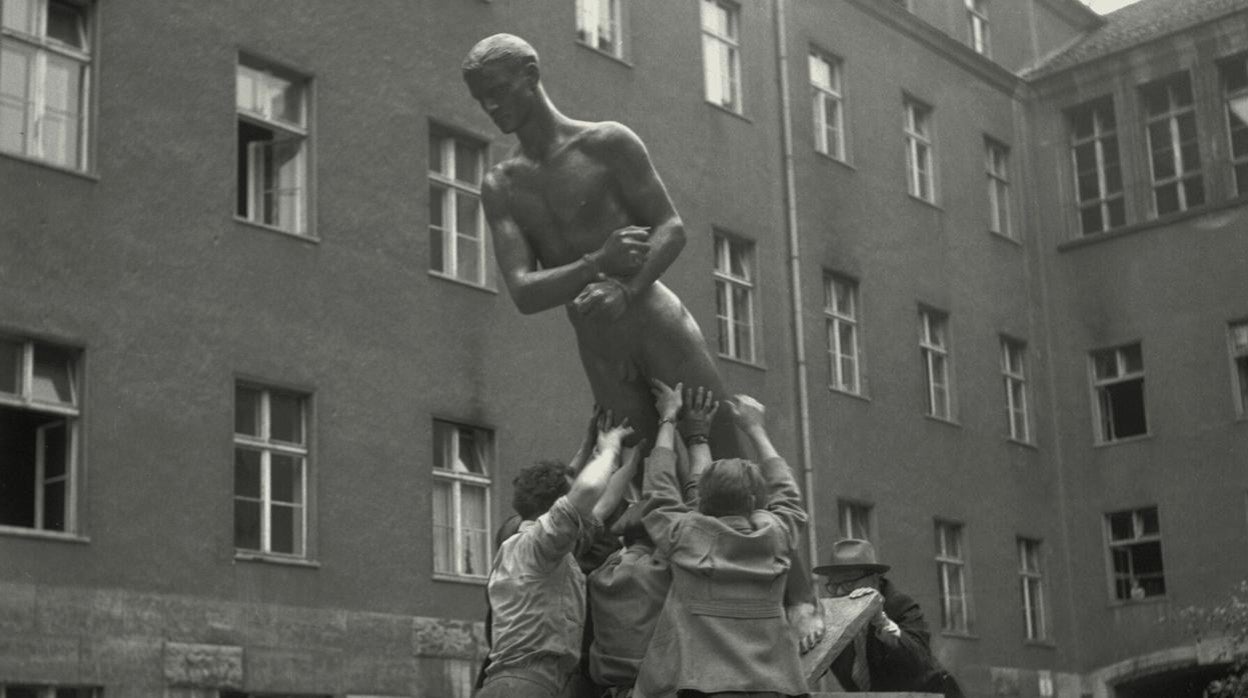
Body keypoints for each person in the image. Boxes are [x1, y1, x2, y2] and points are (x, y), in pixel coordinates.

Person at [460, 32, 825, 650]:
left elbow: (673, 226)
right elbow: (523, 292)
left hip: (656, 322)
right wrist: (596, 263)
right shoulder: (503, 184)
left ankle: (799, 595)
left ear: (531, 73)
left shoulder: (606, 143)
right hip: (598, 347)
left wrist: (626, 290)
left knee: (724, 441)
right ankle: (664, 612)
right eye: (481, 100)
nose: (493, 109)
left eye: (500, 92)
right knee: (629, 467)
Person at [632, 383, 810, 698]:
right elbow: (788, 493)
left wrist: (668, 419)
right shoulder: (777, 536)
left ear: (702, 501)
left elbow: (658, 489)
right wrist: (756, 429)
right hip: (774, 687)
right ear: (756, 501)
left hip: (703, 686)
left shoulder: (685, 536)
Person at [477, 416, 637, 698]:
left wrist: (630, 463)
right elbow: (587, 491)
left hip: (528, 685)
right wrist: (610, 448)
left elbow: (599, 510)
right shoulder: (538, 547)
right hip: (526, 687)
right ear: (556, 511)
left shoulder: (549, 554)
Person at [587, 385, 719, 697]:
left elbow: (593, 513)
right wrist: (691, 432)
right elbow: (700, 505)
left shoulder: (600, 572)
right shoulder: (668, 570)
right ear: (663, 535)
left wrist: (610, 457)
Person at [813, 539, 964, 698]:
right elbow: (809, 670)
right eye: (833, 585)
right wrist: (808, 638)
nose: (838, 593)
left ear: (874, 579)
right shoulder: (831, 617)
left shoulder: (899, 605)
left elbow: (919, 660)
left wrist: (883, 624)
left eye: (848, 583)